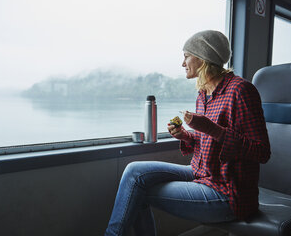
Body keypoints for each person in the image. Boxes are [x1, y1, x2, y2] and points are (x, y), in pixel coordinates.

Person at [104, 30, 271, 236]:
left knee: (136, 192)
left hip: (227, 193)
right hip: (199, 174)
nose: (183, 63)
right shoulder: (203, 93)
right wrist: (185, 135)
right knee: (134, 171)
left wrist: (210, 128)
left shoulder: (241, 91)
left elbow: (261, 151)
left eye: (186, 56)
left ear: (202, 58)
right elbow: (207, 141)